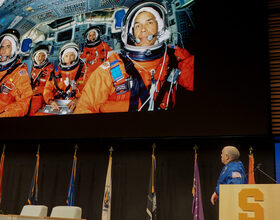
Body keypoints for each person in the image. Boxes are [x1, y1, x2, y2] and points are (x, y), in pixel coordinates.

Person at [74, 1, 194, 114]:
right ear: (131, 34)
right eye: (137, 25)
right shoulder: (113, 66)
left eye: (149, 22)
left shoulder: (175, 57)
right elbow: (85, 106)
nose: (143, 29)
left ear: (160, 27)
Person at [43, 42, 88, 113]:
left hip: (77, 103)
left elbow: (87, 89)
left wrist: (78, 99)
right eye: (66, 56)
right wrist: (50, 101)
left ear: (76, 56)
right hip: (57, 104)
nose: (69, 58)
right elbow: (47, 89)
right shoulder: (55, 72)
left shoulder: (83, 71)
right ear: (62, 57)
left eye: (72, 55)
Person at [0, 29, 32, 117]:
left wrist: (4, 115)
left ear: (14, 49)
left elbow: (24, 103)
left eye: (8, 47)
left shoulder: (19, 73)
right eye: (2, 47)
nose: (3, 51)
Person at [29, 44, 54, 115]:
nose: (40, 58)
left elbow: (50, 87)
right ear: (35, 57)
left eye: (43, 56)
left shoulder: (49, 69)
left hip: (41, 98)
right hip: (29, 96)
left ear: (45, 57)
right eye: (38, 56)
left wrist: (37, 90)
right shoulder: (30, 68)